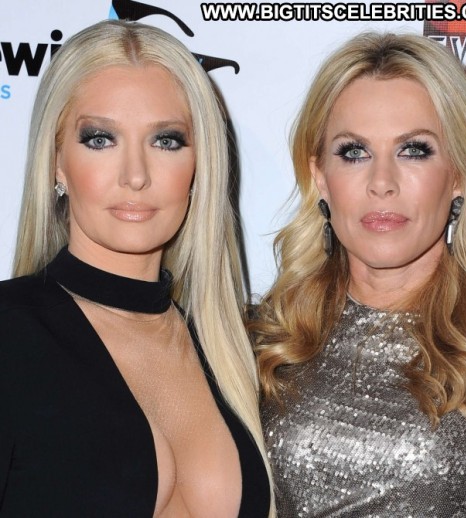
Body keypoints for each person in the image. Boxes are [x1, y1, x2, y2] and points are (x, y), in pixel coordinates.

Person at [0, 19, 273, 517]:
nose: (136, 176)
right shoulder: (9, 331)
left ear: (200, 164)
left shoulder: (232, 351)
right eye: (100, 139)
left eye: (165, 141)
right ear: (57, 160)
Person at [251, 32, 466, 516]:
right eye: (354, 152)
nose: (382, 183)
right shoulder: (267, 341)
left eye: (414, 150)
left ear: (460, 174)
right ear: (320, 177)